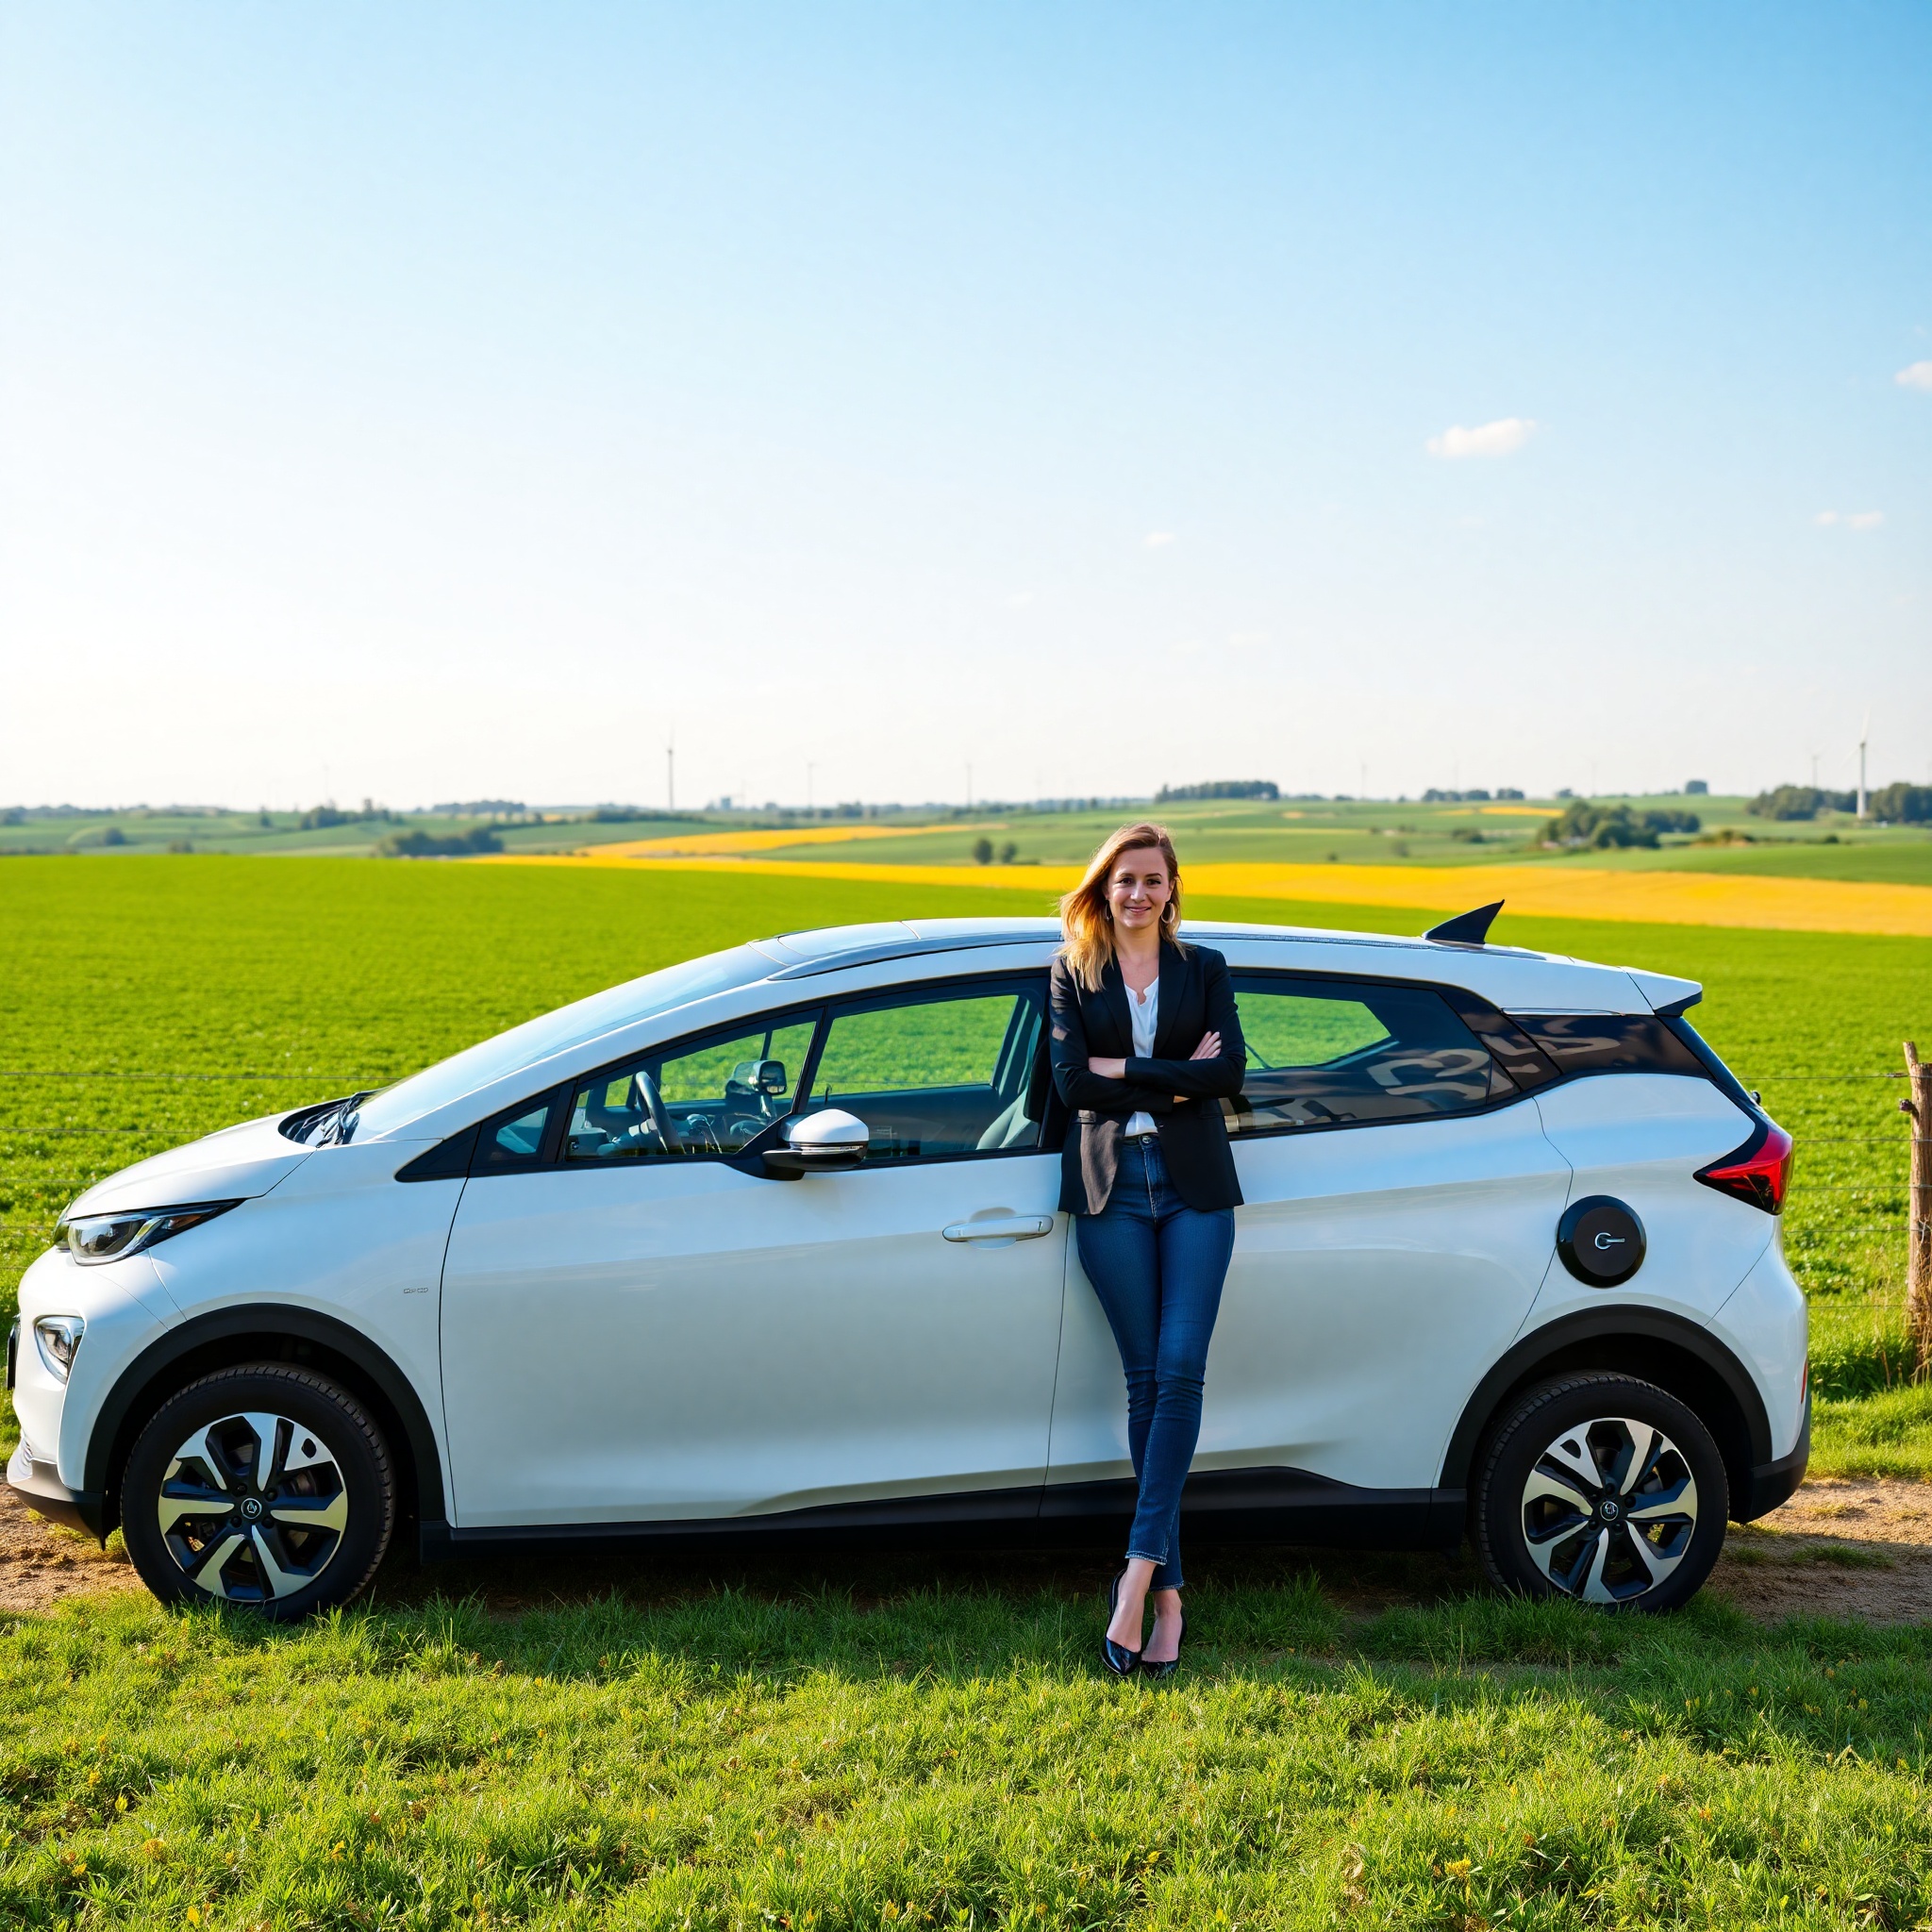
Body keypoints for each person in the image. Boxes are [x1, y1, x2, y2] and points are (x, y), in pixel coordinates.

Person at [1048, 821, 1246, 1678]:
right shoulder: (1071, 969)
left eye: (1152, 880)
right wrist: (1173, 1071)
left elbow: (1228, 1073)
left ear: (1172, 891)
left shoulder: (1204, 969)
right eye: (1123, 879)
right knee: (1144, 1385)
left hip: (1196, 1186)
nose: (1138, 893)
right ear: (1103, 888)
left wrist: (1125, 1069)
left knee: (1178, 1373)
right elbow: (1068, 1084)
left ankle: (1134, 1579)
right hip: (1110, 1189)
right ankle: (1168, 1597)